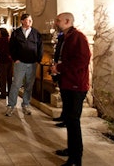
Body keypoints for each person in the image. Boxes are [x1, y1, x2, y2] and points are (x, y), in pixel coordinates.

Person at [50, 12, 91, 166]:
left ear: (67, 21)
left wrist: (59, 67)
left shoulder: (78, 37)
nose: (55, 22)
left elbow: (82, 60)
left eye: (58, 20)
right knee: (69, 120)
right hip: (67, 83)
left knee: (73, 121)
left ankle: (76, 158)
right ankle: (71, 149)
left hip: (76, 85)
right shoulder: (65, 37)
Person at [6, 13, 43, 116]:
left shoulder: (36, 33)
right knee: (16, 84)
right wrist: (15, 58)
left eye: (30, 20)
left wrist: (38, 60)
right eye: (27, 20)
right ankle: (11, 105)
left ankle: (26, 104)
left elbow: (40, 47)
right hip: (20, 62)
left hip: (32, 63)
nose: (29, 22)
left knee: (29, 85)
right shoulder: (16, 33)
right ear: (22, 21)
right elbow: (11, 46)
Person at [0, 28, 13, 99]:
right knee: (9, 77)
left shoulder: (2, 40)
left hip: (3, 61)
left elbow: (0, 50)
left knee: (2, 78)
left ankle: (3, 93)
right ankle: (10, 92)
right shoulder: (9, 39)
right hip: (10, 61)